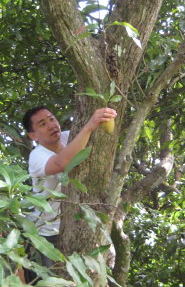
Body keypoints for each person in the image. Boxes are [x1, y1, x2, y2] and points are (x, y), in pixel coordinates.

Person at [21, 106, 117, 283]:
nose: (51, 125)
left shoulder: (68, 137)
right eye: (42, 124)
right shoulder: (37, 156)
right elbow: (62, 163)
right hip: (47, 234)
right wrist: (89, 126)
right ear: (33, 136)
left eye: (51, 119)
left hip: (77, 223)